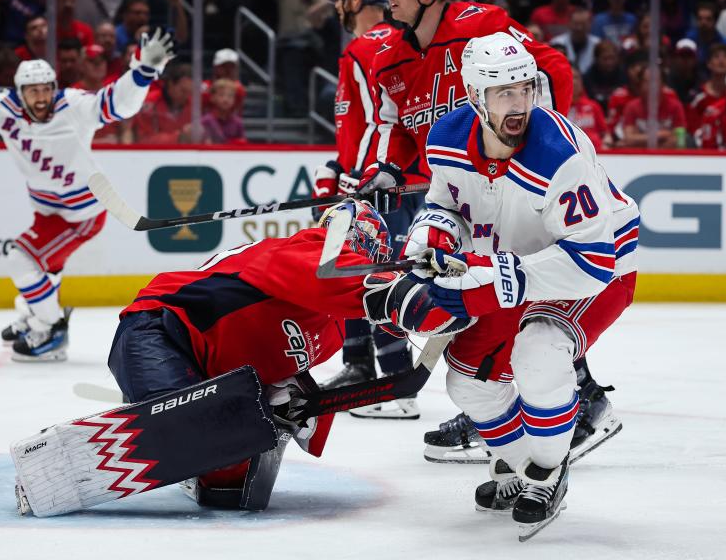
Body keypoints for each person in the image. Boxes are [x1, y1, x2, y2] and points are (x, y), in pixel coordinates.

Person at [405, 32, 638, 533]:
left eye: (525, 89)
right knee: (465, 379)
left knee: (539, 351)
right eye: (503, 93)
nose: (519, 104)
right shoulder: (447, 138)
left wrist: (489, 278)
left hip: (597, 269)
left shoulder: (560, 156)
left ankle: (549, 470)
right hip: (519, 267)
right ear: (474, 96)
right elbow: (446, 204)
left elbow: (592, 260)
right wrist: (431, 238)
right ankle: (516, 461)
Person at [102, 199, 465, 511]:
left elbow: (387, 312)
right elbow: (371, 292)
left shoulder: (335, 326)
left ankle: (177, 421)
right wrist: (420, 300)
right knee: (186, 430)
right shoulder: (310, 247)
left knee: (231, 488)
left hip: (211, 367)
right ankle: (157, 408)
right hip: (159, 331)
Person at [0, 27, 176, 361]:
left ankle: (51, 329)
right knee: (45, 267)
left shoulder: (73, 106)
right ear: (20, 92)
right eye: (32, 91)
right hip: (46, 208)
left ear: (54, 89)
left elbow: (117, 105)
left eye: (45, 89)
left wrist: (143, 71)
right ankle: (35, 314)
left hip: (82, 214)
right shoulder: (5, 110)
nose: (40, 98)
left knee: (21, 260)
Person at [310, 0, 421, 419]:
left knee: (377, 275)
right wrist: (339, 166)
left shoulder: (368, 45)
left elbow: (386, 120)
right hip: (381, 175)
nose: (338, 4)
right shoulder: (394, 41)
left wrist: (363, 174)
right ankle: (359, 367)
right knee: (353, 270)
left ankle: (398, 384)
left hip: (381, 182)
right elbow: (366, 122)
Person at [201, 78, 246, 143]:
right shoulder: (205, 121)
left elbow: (242, 143)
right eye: (221, 95)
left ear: (234, 99)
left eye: (230, 96)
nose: (226, 99)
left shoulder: (238, 123)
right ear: (212, 97)